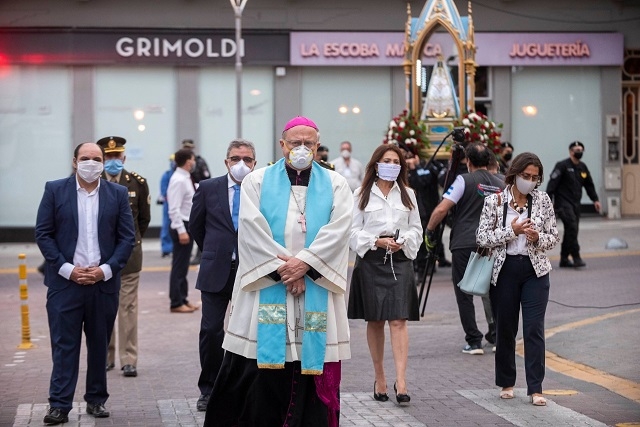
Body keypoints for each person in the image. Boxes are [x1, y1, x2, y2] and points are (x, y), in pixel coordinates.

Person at [204, 116, 353, 427]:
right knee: (257, 369)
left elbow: (339, 230)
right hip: (269, 286)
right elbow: (250, 229)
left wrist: (305, 264)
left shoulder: (336, 184)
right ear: (282, 144)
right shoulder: (257, 181)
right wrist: (285, 270)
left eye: (309, 143)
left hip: (314, 284)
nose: (302, 148)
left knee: (311, 360)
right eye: (295, 143)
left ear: (317, 146)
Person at [35, 142, 135, 425]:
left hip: (102, 285)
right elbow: (43, 234)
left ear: (102, 162)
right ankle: (59, 405)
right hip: (65, 284)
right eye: (85, 158)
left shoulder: (117, 194)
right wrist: (68, 270)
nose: (91, 163)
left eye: (96, 158)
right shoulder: (55, 190)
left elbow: (127, 237)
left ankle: (96, 399)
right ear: (74, 161)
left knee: (99, 346)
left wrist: (105, 270)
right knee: (64, 347)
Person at [476, 152, 559, 406]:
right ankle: (506, 382)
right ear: (514, 174)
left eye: (535, 178)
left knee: (534, 329)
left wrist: (537, 237)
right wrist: (511, 231)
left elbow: (553, 237)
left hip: (535, 271)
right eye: (525, 176)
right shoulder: (495, 201)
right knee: (505, 328)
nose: (530, 181)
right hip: (505, 270)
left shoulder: (543, 200)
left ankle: (536, 388)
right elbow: (482, 237)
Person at [348, 143, 422, 405]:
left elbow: (417, 229)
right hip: (371, 259)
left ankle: (401, 381)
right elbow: (352, 231)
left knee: (399, 320)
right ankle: (379, 377)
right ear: (376, 165)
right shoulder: (361, 194)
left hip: (399, 259)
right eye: (386, 161)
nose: (391, 165)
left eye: (396, 161)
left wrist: (403, 240)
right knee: (376, 319)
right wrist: (375, 241)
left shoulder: (408, 194)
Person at [188, 139, 257, 411]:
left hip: (250, 271)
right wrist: (215, 251)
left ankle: (243, 389)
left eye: (247, 159)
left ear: (255, 163)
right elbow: (196, 226)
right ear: (226, 162)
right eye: (236, 158)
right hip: (216, 270)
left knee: (248, 332)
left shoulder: (261, 189)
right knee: (211, 330)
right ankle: (209, 389)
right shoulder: (208, 188)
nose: (241, 164)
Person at [425, 142, 505, 355]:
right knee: (493, 290)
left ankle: (474, 340)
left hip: (464, 242)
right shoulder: (501, 183)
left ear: (468, 161)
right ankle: (498, 336)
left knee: (464, 293)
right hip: (491, 243)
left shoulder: (463, 180)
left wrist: (429, 230)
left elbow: (442, 209)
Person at [97, 136, 151, 378]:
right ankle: (105, 356)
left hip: (129, 256)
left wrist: (130, 243)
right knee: (103, 307)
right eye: (108, 156)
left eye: (116, 156)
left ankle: (128, 359)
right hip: (100, 257)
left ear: (124, 158)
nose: (112, 160)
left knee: (127, 307)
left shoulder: (137, 183)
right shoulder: (93, 182)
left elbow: (143, 220)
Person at [546, 141, 601, 268]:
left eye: (581, 150)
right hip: (563, 203)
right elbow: (552, 184)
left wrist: (595, 200)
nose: (579, 152)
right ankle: (576, 257)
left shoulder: (583, 167)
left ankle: (564, 259)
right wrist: (548, 202)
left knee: (572, 230)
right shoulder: (562, 166)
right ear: (571, 152)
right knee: (572, 227)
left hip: (575, 204)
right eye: (577, 150)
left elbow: (589, 185)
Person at [402, 148, 450, 276]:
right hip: (414, 209)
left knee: (429, 237)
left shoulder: (426, 167)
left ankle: (429, 264)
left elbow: (425, 181)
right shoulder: (403, 171)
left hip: (427, 207)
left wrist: (416, 167)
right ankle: (420, 266)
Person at [167, 148, 199, 313]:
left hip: (187, 225)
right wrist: (181, 230)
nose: (194, 162)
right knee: (179, 266)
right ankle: (176, 302)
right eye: (193, 159)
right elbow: (173, 208)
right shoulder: (178, 180)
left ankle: (183, 298)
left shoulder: (186, 177)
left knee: (184, 266)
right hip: (182, 226)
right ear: (188, 162)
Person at [182, 139, 211, 265]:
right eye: (185, 148)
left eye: (190, 148)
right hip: (186, 199)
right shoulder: (180, 162)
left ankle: (200, 254)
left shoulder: (199, 161)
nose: (188, 150)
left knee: (201, 224)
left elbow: (207, 177)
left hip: (200, 195)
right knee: (192, 226)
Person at [158, 154, 176, 257]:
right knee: (166, 226)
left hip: (179, 205)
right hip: (168, 204)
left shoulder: (182, 175)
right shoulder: (167, 175)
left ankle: (176, 248)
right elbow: (164, 191)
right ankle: (166, 249)